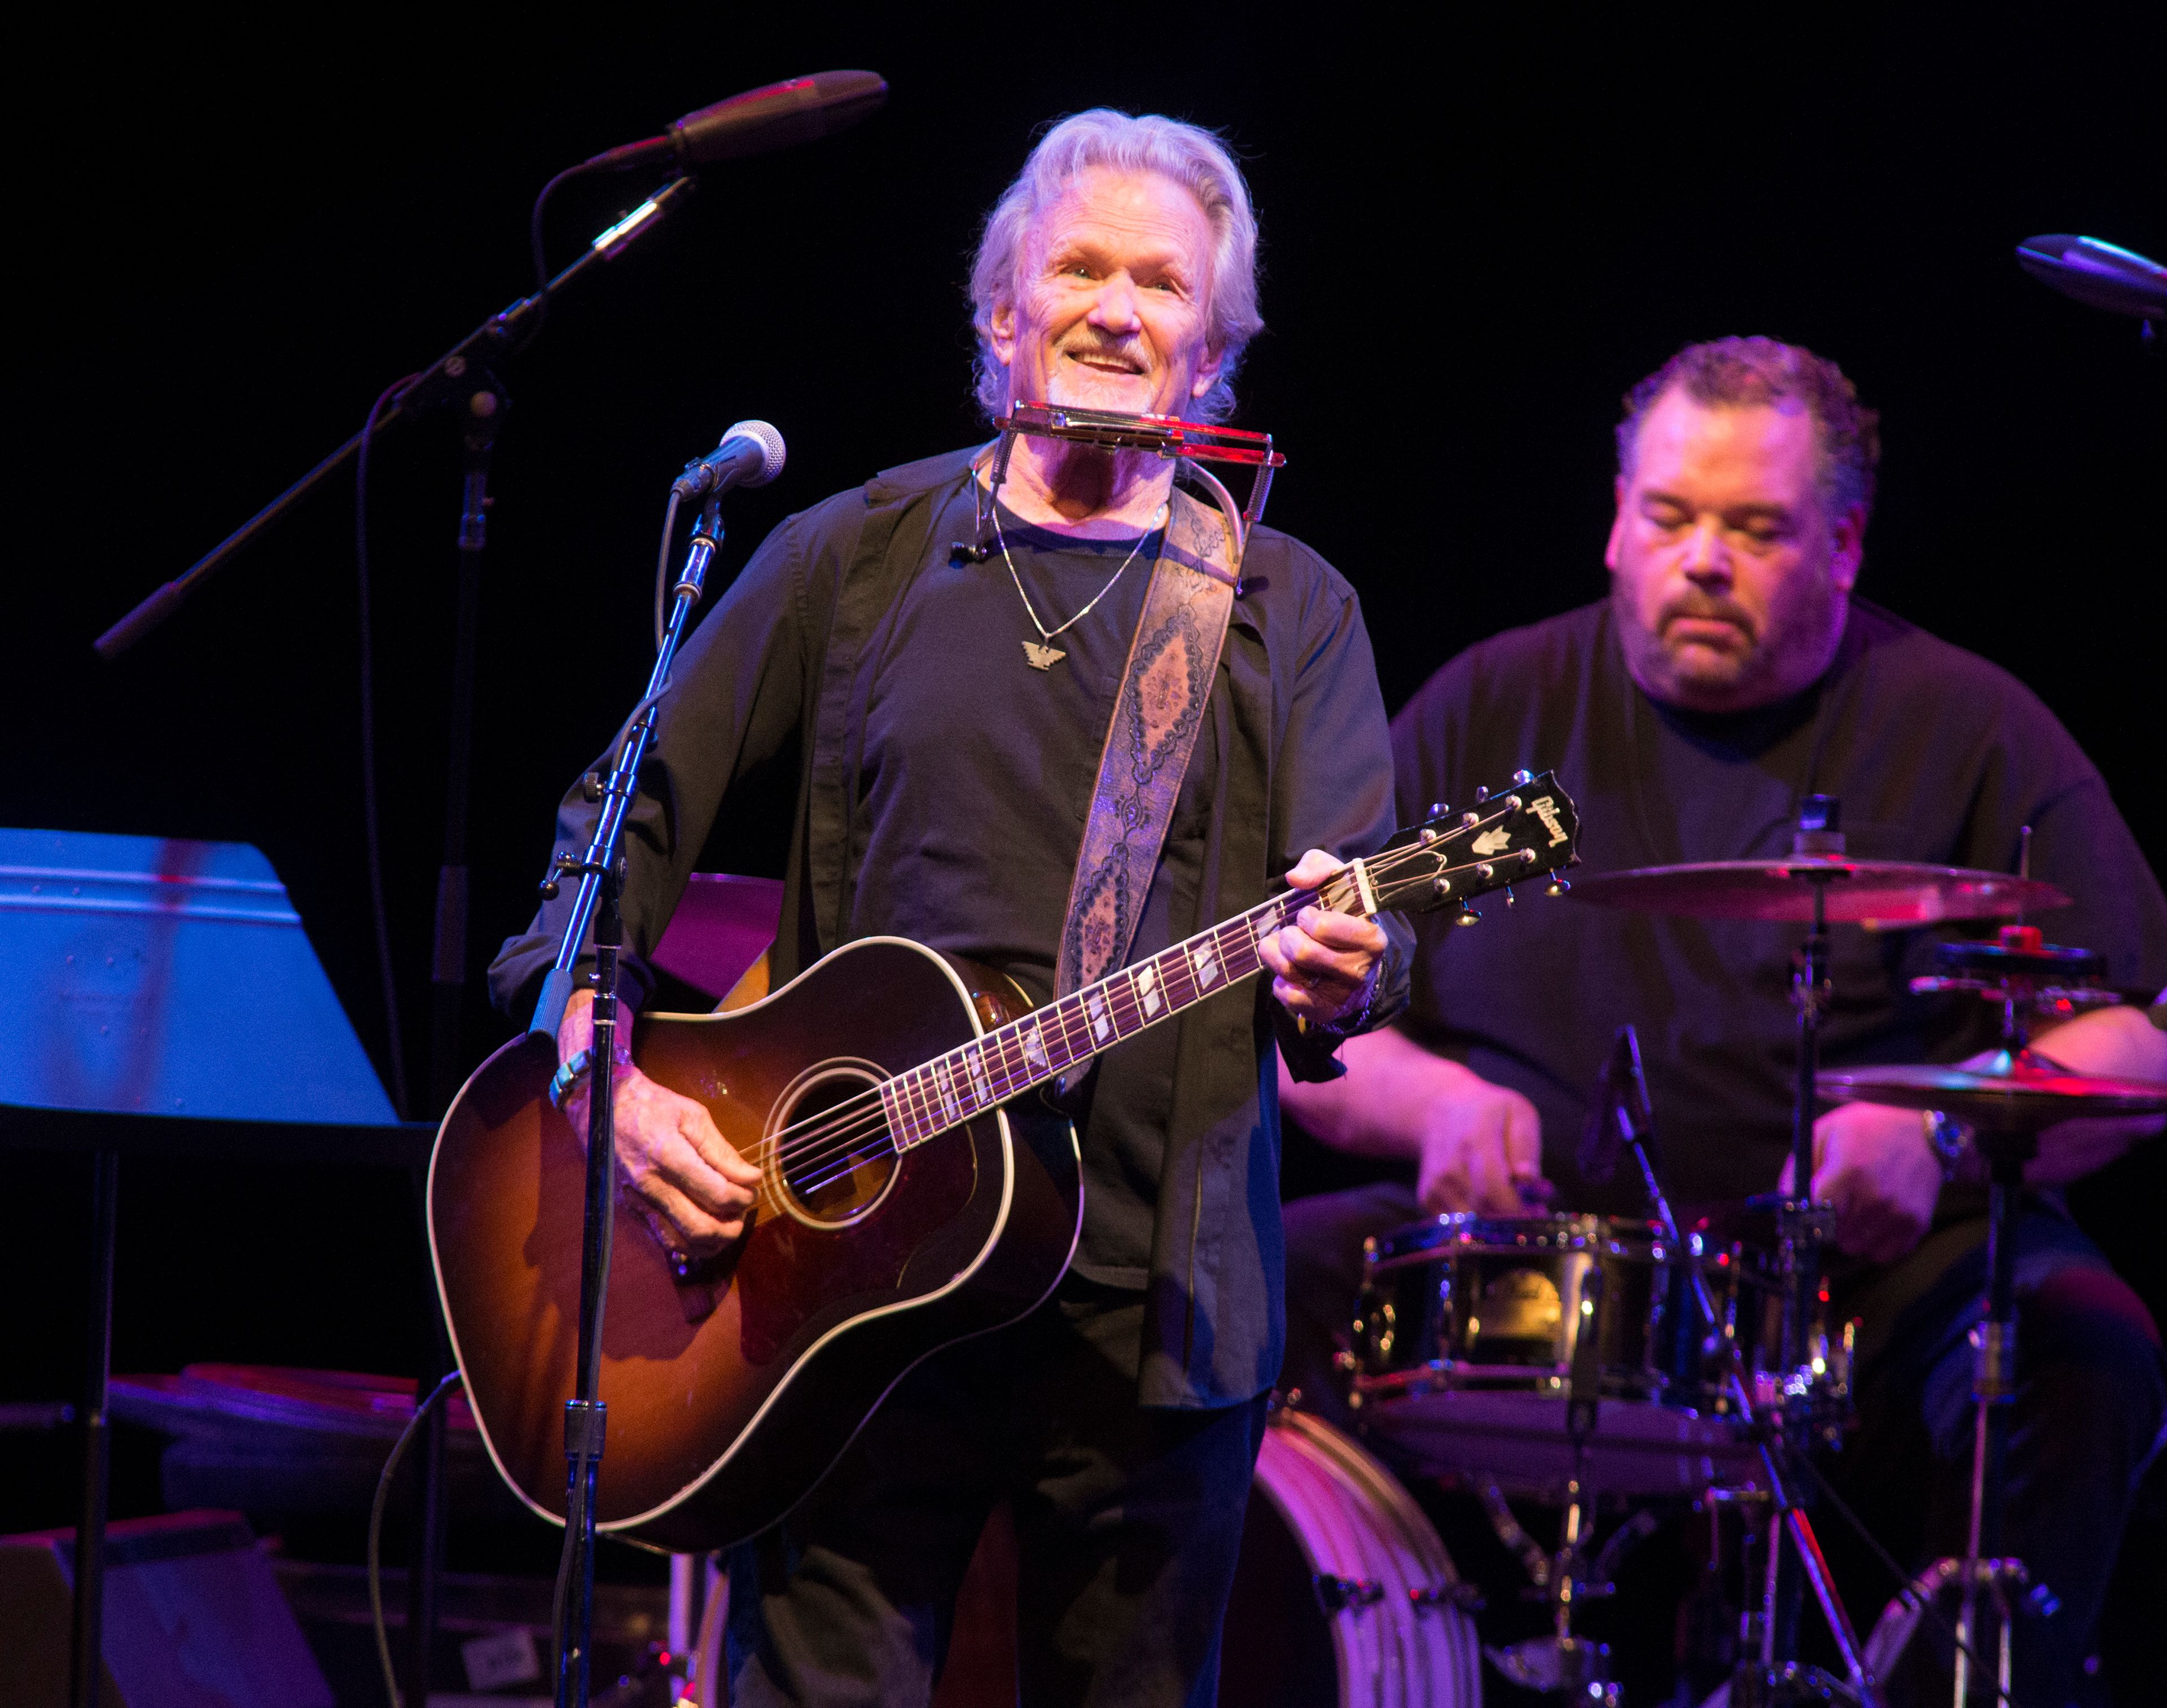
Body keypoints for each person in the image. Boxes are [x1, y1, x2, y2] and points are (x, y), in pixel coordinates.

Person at [489, 110, 1408, 1707]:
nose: (1119, 306)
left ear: (1214, 349)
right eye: (1081, 266)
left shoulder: (1284, 607)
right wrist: (599, 1060)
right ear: (1004, 315)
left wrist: (1345, 957)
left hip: (1150, 1316)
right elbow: (617, 819)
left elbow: (1353, 934)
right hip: (839, 1284)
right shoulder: (857, 553)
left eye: (1164, 285)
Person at [1278, 337, 2167, 1705]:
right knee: (1230, 1294)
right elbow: (1308, 1009)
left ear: (1846, 543)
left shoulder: (1969, 723)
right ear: (1615, 520)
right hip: (1535, 1268)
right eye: (1669, 516)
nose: (1702, 558)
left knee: (2087, 1339)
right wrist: (1431, 1104)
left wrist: (1939, 1130)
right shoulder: (1491, 705)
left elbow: (2142, 1038)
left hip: (1868, 1287)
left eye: (1755, 529)